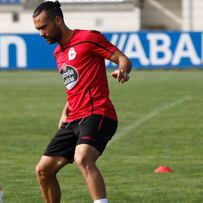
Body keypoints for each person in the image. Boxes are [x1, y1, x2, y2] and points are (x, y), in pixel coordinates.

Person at [32, 1, 132, 203]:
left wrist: (123, 70)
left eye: (43, 27)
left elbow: (122, 58)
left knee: (83, 157)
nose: (41, 33)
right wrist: (65, 111)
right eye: (38, 29)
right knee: (43, 171)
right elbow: (74, 87)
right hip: (73, 119)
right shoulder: (57, 52)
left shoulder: (88, 38)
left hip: (98, 113)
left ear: (58, 20)